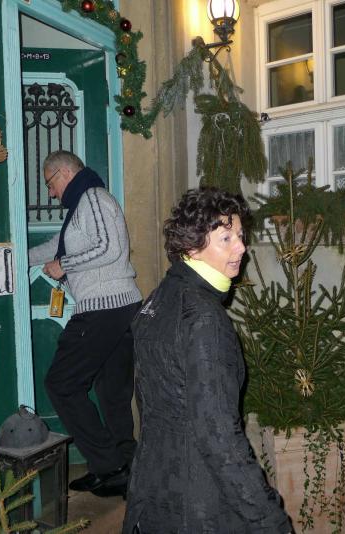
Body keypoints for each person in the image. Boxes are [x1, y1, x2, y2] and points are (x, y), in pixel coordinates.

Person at [122, 188, 291, 533]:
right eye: (226, 238)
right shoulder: (204, 318)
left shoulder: (159, 298)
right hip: (196, 501)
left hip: (152, 488)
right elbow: (219, 436)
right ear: (191, 246)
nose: (241, 248)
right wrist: (269, 519)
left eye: (240, 236)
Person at [28, 150, 142, 497]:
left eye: (50, 184)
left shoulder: (92, 196)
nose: (51, 193)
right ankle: (127, 469)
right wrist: (17, 256)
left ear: (64, 173)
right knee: (112, 393)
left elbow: (109, 248)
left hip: (103, 308)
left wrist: (65, 265)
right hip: (120, 307)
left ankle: (109, 466)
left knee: (61, 384)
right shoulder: (83, 204)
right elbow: (57, 245)